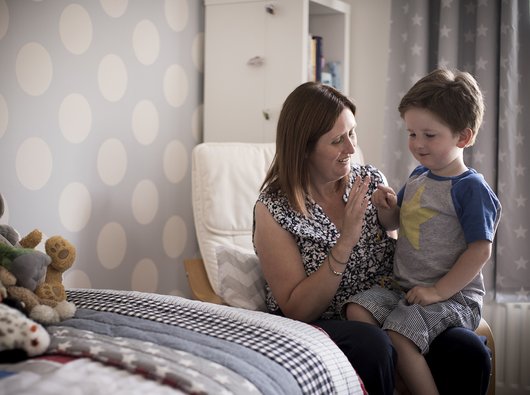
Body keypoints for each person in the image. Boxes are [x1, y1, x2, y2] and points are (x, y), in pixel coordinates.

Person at [253, 80, 495, 395]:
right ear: (304, 146)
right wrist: (346, 241)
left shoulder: (367, 179)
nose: (352, 149)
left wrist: (390, 213)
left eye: (352, 133)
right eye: (337, 140)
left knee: (468, 350)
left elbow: (406, 240)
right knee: (375, 345)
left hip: (393, 303)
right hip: (329, 320)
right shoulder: (273, 208)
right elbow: (297, 309)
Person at [345, 69, 502, 395]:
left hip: (453, 298)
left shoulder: (470, 188)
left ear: (463, 137)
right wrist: (387, 207)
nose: (417, 144)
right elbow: (394, 224)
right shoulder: (418, 176)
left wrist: (438, 291)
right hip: (407, 291)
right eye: (412, 133)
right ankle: (396, 381)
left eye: (429, 135)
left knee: (401, 336)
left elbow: (480, 250)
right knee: (357, 308)